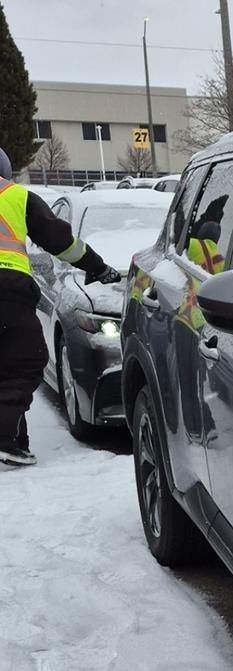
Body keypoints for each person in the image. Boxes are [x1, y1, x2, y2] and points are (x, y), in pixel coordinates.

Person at [0, 148, 121, 467]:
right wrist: (97, 267)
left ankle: (13, 441)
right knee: (25, 361)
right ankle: (4, 437)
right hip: (8, 290)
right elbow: (63, 243)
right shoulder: (15, 196)